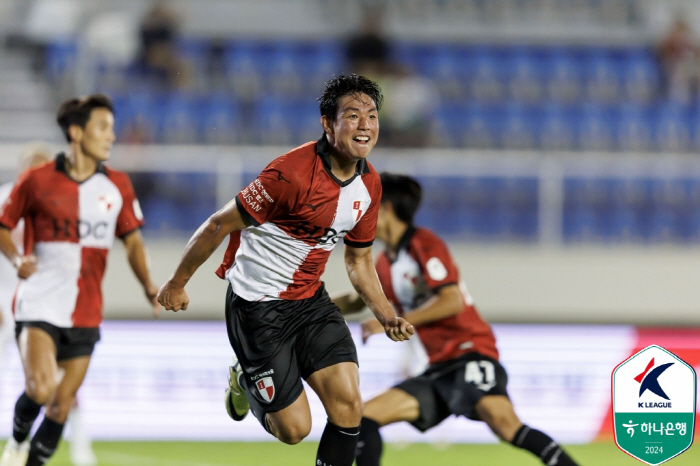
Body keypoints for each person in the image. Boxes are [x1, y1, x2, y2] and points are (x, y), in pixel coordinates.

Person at [156, 74, 414, 466]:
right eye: (353, 115)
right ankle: (244, 378)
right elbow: (217, 225)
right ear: (328, 124)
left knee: (349, 407)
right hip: (258, 308)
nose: (365, 125)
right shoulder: (289, 174)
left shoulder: (370, 186)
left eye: (372, 116)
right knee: (294, 430)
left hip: (311, 303)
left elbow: (358, 260)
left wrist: (386, 315)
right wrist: (177, 283)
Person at [333, 173, 581, 466]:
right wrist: (303, 302)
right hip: (438, 369)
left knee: (506, 426)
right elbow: (359, 297)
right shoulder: (385, 262)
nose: (361, 212)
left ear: (385, 208)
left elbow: (452, 301)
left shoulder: (423, 243)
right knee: (364, 417)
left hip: (469, 353)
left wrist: (393, 321)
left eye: (369, 204)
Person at [0, 94, 160, 466]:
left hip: (86, 311)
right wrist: (16, 257)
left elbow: (133, 242)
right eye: (103, 128)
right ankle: (17, 442)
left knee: (61, 406)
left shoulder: (117, 186)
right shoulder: (36, 181)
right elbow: (4, 227)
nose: (111, 136)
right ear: (76, 132)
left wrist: (149, 285)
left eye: (112, 128)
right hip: (38, 302)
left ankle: (34, 460)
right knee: (40, 389)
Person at [0, 143, 98, 466]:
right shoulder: (4, 202)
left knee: (57, 386)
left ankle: (82, 449)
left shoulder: (64, 206)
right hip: (4, 305)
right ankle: (16, 444)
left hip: (44, 309)